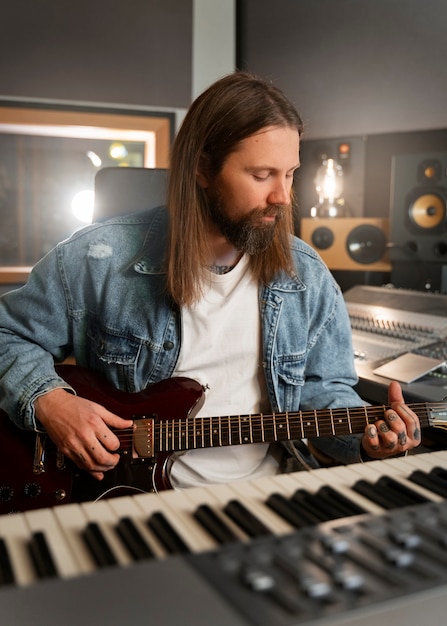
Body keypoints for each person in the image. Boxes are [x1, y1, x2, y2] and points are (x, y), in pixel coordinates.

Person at [0, 71, 421, 492]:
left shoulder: (306, 275)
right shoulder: (97, 259)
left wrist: (370, 442)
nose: (284, 196)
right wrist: (50, 402)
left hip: (269, 496)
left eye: (290, 173)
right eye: (262, 175)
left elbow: (324, 395)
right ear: (203, 168)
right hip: (130, 501)